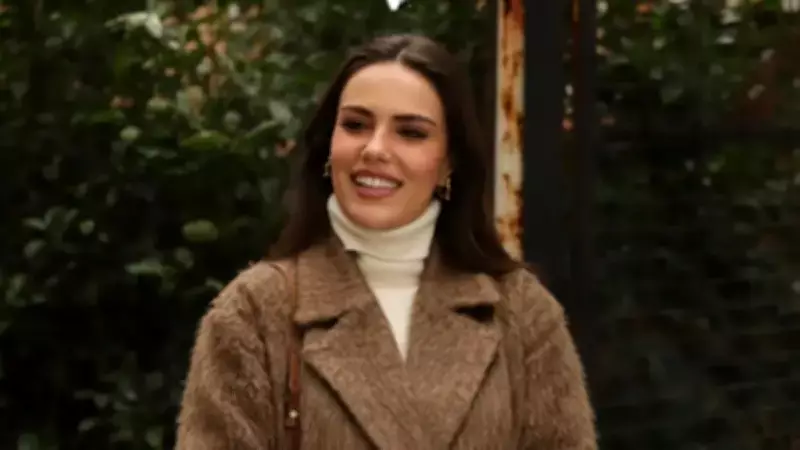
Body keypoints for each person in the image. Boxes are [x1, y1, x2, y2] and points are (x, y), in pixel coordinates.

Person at [174, 34, 597, 450]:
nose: (375, 149)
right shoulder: (252, 312)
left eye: (410, 132)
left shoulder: (522, 313)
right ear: (328, 146)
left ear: (449, 162)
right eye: (356, 125)